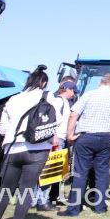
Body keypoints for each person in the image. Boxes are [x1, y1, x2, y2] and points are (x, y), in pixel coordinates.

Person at [0, 66, 61, 219]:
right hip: (38, 149)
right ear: (43, 82)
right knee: (26, 191)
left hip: (13, 148)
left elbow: (3, 129)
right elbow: (57, 121)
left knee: (5, 191)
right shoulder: (49, 97)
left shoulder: (14, 99)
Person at [59, 73, 110, 217]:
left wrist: (70, 135)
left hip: (86, 136)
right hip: (105, 137)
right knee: (102, 173)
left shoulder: (89, 95)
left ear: (100, 82)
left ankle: (74, 209)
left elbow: (73, 115)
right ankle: (100, 207)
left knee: (80, 172)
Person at [31, 79, 77, 211]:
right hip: (56, 140)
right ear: (67, 89)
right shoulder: (58, 102)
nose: (74, 94)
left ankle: (35, 200)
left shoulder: (62, 102)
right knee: (50, 171)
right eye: (73, 91)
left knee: (45, 170)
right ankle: (42, 201)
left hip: (56, 139)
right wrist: (55, 137)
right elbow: (51, 120)